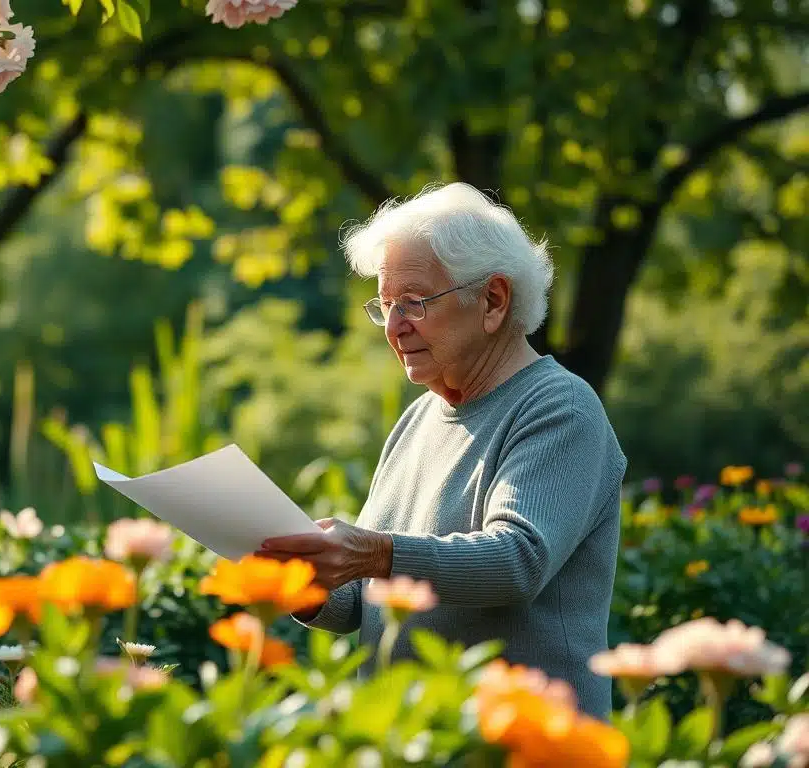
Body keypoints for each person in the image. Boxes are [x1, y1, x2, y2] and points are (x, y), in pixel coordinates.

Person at [257, 182, 625, 719]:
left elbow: (517, 561)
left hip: (527, 742)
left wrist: (376, 553)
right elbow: (364, 600)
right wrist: (294, 576)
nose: (395, 327)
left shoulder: (560, 406)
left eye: (413, 303)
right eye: (385, 306)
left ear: (493, 301)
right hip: (419, 739)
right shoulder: (419, 417)